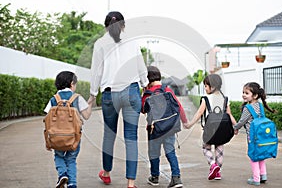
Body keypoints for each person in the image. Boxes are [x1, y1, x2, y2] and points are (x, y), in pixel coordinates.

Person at [88, 11, 149, 188]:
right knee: (131, 137)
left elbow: (96, 72)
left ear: (106, 26)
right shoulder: (132, 41)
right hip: (131, 91)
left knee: (109, 134)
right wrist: (145, 84)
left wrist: (92, 95)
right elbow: (140, 66)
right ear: (123, 25)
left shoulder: (100, 43)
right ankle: (130, 182)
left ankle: (106, 173)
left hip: (109, 94)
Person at [44, 71, 92, 188]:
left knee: (59, 156)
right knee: (71, 159)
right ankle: (72, 184)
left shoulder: (54, 99)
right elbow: (86, 115)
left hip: (56, 137)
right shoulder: (77, 98)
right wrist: (90, 102)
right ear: (71, 84)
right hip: (73, 137)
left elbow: (46, 117)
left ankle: (62, 175)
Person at [141, 66, 188, 188]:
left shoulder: (148, 94)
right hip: (170, 128)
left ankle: (155, 177)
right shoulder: (168, 90)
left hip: (154, 130)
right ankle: (176, 178)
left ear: (147, 79)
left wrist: (143, 92)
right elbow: (179, 106)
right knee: (170, 151)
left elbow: (142, 109)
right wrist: (185, 121)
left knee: (154, 153)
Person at [185, 74, 236, 180]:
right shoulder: (224, 98)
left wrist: (190, 124)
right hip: (223, 129)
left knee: (206, 147)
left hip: (210, 129)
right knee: (220, 149)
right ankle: (218, 173)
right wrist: (236, 126)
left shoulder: (206, 98)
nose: (205, 88)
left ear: (212, 87)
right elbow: (229, 114)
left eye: (206, 86)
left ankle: (213, 165)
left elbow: (199, 113)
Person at [233, 82, 277, 186]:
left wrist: (235, 128)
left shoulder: (248, 108)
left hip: (252, 137)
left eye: (247, 93)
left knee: (253, 156)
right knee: (260, 155)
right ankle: (263, 175)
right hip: (262, 136)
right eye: (243, 92)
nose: (244, 94)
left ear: (255, 95)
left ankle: (256, 179)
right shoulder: (260, 106)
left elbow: (241, 121)